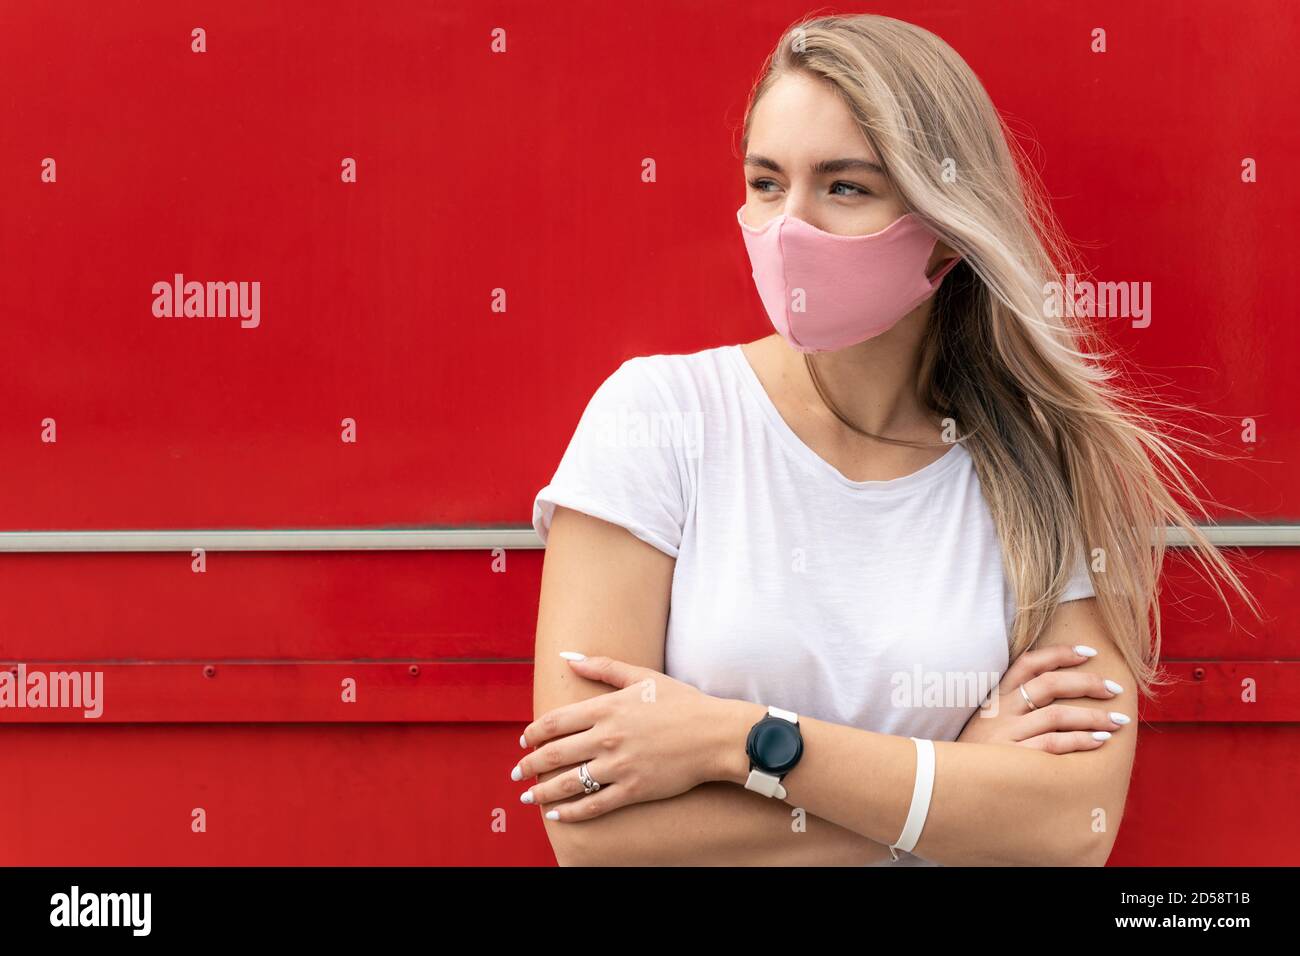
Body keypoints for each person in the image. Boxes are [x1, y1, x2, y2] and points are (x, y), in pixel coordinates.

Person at [521, 13, 1260, 866]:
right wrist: (961, 787)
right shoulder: (658, 418)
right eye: (766, 182)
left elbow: (1071, 827)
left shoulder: (1033, 464)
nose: (788, 227)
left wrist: (743, 741)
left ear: (947, 229)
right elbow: (592, 834)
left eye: (844, 188)